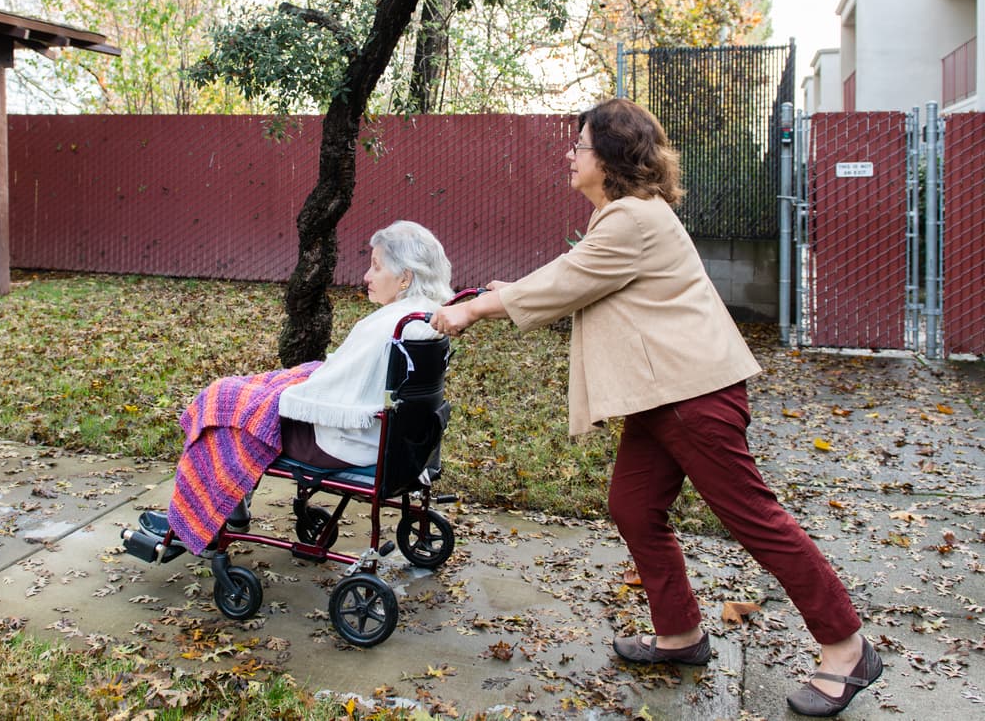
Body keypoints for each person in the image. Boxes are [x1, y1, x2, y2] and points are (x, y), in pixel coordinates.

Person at [430, 99, 882, 718]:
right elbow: (577, 278)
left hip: (692, 395)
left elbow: (566, 281)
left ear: (610, 157)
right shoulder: (625, 218)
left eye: (579, 146)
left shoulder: (631, 221)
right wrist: (501, 293)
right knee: (635, 506)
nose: (569, 155)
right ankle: (679, 634)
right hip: (661, 394)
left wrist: (474, 309)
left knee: (753, 517)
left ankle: (845, 645)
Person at [140, 220, 453, 556]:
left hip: (343, 442)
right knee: (248, 393)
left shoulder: (387, 327)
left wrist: (275, 399)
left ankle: (204, 521)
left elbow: (325, 397)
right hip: (392, 443)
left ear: (405, 277)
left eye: (375, 267)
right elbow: (346, 380)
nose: (366, 276)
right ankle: (229, 507)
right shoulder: (428, 318)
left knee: (224, 410)